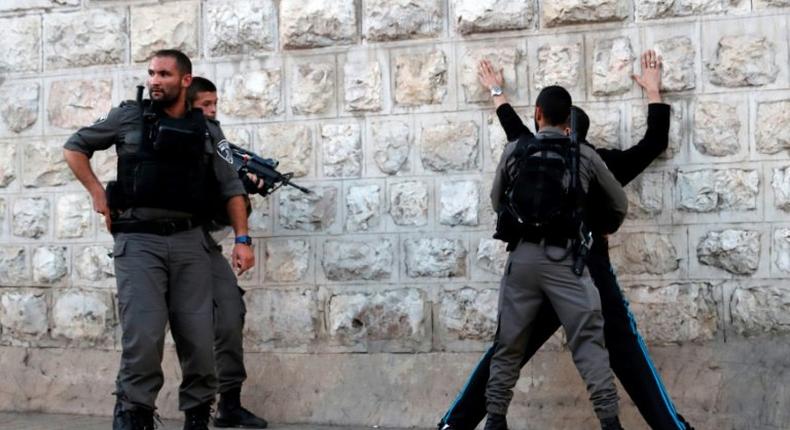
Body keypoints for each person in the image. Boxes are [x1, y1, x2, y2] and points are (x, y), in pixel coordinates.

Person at [437, 51, 694, 430]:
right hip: (588, 274)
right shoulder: (598, 160)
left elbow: (511, 126)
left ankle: (455, 425)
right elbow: (653, 143)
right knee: (627, 354)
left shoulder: (530, 151)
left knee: (507, 348)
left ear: (545, 119)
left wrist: (496, 90)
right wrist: (654, 92)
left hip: (533, 269)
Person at [63, 50, 254, 430]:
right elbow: (75, 146)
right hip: (139, 243)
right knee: (145, 336)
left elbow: (233, 188)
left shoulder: (208, 131)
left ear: (185, 80)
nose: (155, 80)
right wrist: (97, 193)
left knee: (199, 340)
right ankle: (134, 414)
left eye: (164, 74)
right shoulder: (127, 116)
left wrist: (242, 239)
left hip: (189, 243)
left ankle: (199, 415)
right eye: (151, 73)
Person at [187, 76, 268, 429]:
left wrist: (242, 185)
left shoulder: (217, 142)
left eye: (215, 105)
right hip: (168, 245)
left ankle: (229, 404)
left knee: (230, 313)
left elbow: (225, 205)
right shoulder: (173, 139)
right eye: (204, 105)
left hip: (204, 246)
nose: (211, 112)